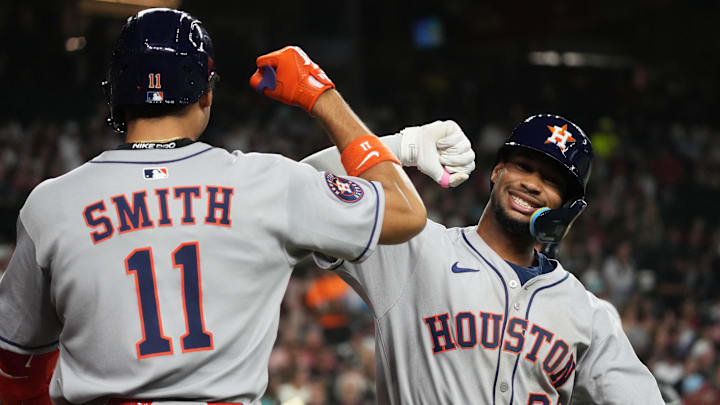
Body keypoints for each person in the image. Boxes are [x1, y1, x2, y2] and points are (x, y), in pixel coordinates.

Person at [0, 8, 429, 405]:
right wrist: (322, 97)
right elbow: (407, 212)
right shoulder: (267, 183)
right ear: (205, 93)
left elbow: (15, 367)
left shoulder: (52, 203)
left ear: (117, 95)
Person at [302, 115, 665, 404]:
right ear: (497, 171)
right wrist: (402, 147)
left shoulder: (588, 314)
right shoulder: (415, 249)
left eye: (551, 180)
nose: (532, 184)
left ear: (566, 208)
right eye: (523, 166)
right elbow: (301, 192)